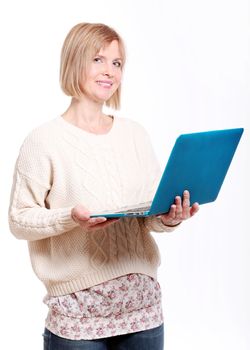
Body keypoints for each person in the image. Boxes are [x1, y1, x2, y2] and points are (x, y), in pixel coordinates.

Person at [8, 22, 199, 350]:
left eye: (117, 63)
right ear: (74, 62)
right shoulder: (43, 141)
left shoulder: (135, 134)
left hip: (144, 311)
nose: (109, 71)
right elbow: (19, 220)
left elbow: (149, 213)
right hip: (78, 317)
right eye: (98, 59)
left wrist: (169, 217)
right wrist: (71, 217)